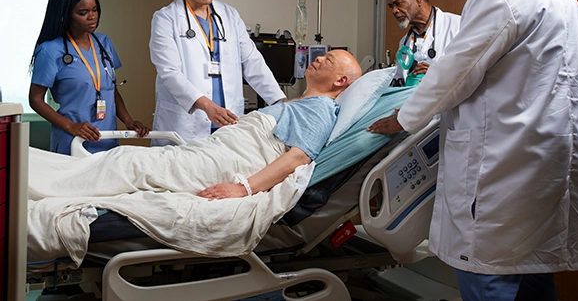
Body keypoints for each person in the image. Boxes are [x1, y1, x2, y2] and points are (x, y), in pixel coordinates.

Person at [368, 0, 578, 300]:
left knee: (489, 278)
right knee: (532, 278)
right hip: (545, 174)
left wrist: (402, 119)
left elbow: (454, 75)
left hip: (499, 176)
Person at [32, 49, 361, 200]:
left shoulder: (320, 109)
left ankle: (36, 188)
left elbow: (298, 158)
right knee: (125, 161)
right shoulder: (299, 103)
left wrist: (242, 188)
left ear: (340, 80)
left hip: (229, 161)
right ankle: (33, 180)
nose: (317, 58)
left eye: (327, 60)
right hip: (218, 149)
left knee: (128, 162)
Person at [150, 0, 285, 145]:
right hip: (187, 122)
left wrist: (279, 101)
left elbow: (251, 61)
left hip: (227, 119)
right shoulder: (165, 19)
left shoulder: (228, 15)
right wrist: (207, 106)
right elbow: (170, 72)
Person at [29, 0, 150, 155]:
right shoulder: (50, 51)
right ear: (66, 14)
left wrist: (128, 121)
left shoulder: (103, 43)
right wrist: (71, 126)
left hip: (106, 139)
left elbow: (110, 89)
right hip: (72, 139)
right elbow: (35, 99)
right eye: (83, 12)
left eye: (94, 10)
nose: (92, 16)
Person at [387, 0, 461, 86]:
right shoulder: (404, 42)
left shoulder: (457, 25)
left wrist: (438, 74)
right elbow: (399, 79)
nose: (394, 11)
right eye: (391, 6)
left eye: (399, 3)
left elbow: (472, 68)